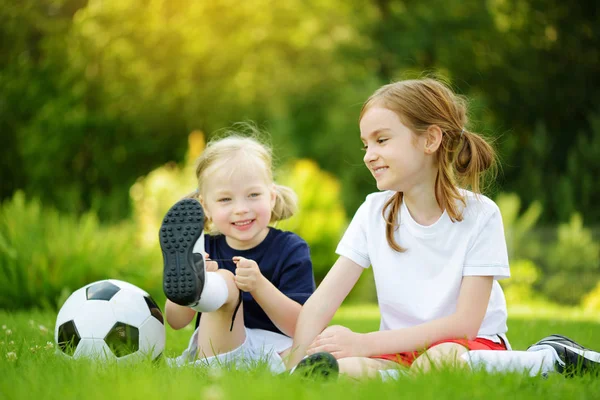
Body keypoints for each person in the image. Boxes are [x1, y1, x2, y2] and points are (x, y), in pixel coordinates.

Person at [286, 78, 600, 379]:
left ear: (430, 140)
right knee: (336, 372)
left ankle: (548, 358)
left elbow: (464, 324)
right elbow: (322, 302)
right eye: (365, 144)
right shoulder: (373, 212)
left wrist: (365, 343)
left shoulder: (480, 215)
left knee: (434, 364)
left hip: (466, 345)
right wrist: (296, 361)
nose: (369, 155)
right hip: (396, 349)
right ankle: (400, 380)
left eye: (381, 140)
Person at [160, 132, 315, 373]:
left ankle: (302, 370)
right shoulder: (204, 249)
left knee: (314, 350)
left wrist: (259, 285)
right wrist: (198, 283)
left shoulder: (291, 249)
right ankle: (212, 290)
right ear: (206, 208)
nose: (241, 209)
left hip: (275, 348)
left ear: (271, 197)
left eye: (253, 195)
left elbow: (301, 326)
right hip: (218, 346)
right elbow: (176, 321)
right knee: (224, 283)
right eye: (225, 199)